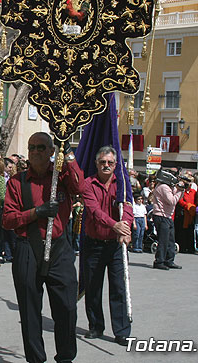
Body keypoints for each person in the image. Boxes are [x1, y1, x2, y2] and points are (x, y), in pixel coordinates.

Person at [2, 132, 83, 363]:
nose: (35, 151)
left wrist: (67, 151)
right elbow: (7, 219)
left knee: (67, 307)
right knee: (29, 311)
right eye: (31, 147)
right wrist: (36, 212)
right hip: (28, 248)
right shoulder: (17, 182)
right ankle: (36, 359)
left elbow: (79, 186)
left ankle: (66, 356)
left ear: (50, 152)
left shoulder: (60, 176)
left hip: (59, 248)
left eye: (41, 147)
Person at [81, 145, 133, 346]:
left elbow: (127, 207)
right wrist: (115, 225)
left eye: (110, 162)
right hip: (94, 243)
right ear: (96, 163)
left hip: (116, 246)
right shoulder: (88, 184)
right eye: (102, 162)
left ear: (115, 164)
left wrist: (125, 228)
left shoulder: (122, 184)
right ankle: (96, 325)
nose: (106, 165)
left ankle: (121, 331)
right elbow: (93, 211)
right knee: (93, 287)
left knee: (119, 287)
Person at [151, 169, 184, 270]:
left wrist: (181, 189)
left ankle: (169, 260)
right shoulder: (163, 187)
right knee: (163, 240)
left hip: (167, 216)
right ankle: (159, 261)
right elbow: (172, 201)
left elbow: (177, 196)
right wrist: (179, 190)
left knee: (170, 240)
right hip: (161, 215)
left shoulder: (169, 187)